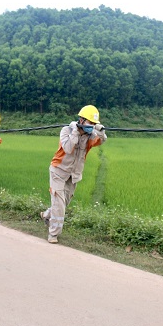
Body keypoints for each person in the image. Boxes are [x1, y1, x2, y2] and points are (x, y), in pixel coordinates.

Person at [41, 105, 107, 244]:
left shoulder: (90, 136)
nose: (92, 126)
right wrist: (75, 132)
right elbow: (68, 147)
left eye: (94, 123)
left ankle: (47, 215)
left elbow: (101, 141)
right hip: (58, 171)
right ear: (81, 120)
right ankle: (53, 234)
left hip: (74, 175)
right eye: (90, 122)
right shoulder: (66, 130)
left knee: (64, 203)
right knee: (59, 204)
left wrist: (100, 131)